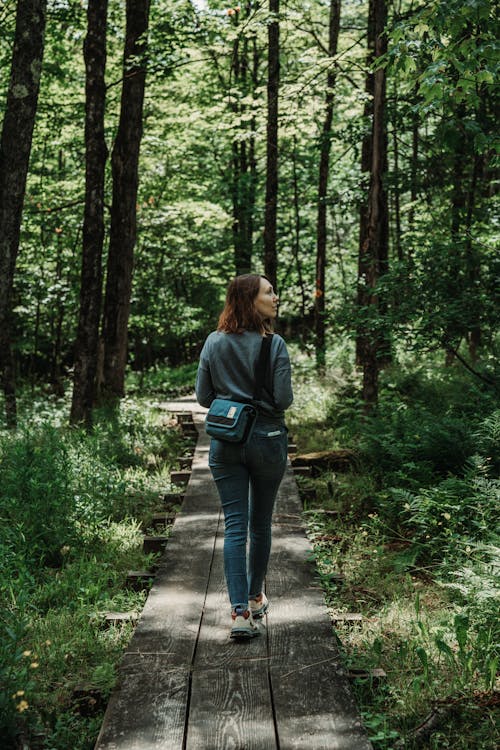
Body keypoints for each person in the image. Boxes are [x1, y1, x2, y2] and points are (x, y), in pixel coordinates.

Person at [195, 274, 293, 639]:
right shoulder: (275, 344)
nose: (275, 297)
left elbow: (204, 397)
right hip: (267, 441)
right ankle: (255, 598)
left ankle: (238, 615)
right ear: (251, 300)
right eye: (269, 292)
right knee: (260, 522)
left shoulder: (213, 342)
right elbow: (283, 400)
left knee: (234, 525)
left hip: (226, 443)